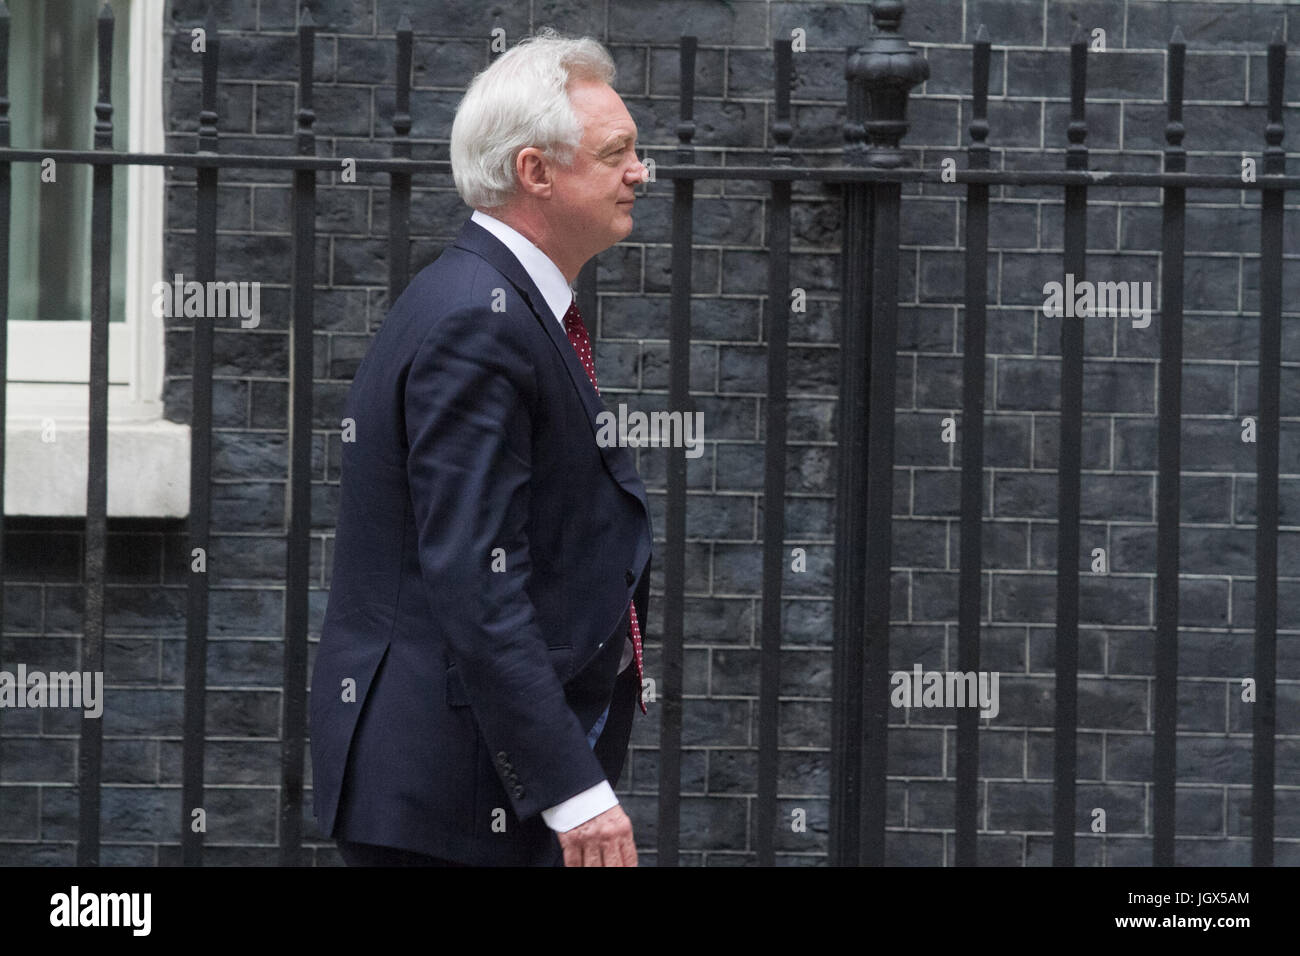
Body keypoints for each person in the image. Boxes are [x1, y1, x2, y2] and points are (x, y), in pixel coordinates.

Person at [308, 30, 653, 867]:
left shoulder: (498, 302)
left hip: (463, 783)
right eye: (617, 154)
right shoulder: (478, 320)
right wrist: (573, 791)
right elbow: (475, 578)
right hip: (453, 798)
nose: (640, 173)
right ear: (536, 172)